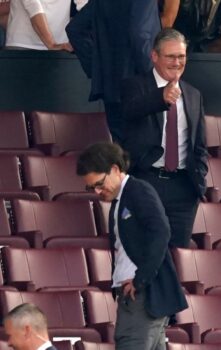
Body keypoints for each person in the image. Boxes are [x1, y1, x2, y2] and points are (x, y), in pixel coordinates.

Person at [76, 142, 188, 350]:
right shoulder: (122, 200)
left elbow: (161, 232)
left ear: (115, 170)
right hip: (142, 297)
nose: (97, 191)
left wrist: (140, 280)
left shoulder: (138, 191)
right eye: (92, 187)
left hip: (142, 296)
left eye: (100, 183)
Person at [121, 28, 208, 248]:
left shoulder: (193, 94)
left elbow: (199, 144)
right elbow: (130, 110)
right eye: (170, 56)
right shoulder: (135, 86)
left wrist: (199, 179)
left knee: (178, 257)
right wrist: (160, 98)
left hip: (183, 189)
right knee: (147, 253)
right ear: (154, 56)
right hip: (147, 182)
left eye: (181, 56)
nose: (177, 62)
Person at [66, 0, 161, 143]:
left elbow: (75, 29)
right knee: (145, 151)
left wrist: (98, 67)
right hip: (140, 86)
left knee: (122, 152)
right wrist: (155, 75)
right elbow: (140, 35)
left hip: (111, 87)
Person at [5, 0, 73, 50]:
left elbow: (82, 5)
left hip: (61, 46)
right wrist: (52, 45)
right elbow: (33, 6)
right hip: (23, 45)